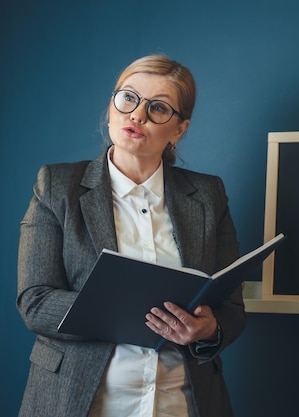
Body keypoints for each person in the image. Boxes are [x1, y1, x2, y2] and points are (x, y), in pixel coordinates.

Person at [16, 55, 247, 417]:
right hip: (78, 401)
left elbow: (231, 309)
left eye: (158, 108)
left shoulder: (208, 195)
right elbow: (35, 302)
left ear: (179, 129)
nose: (137, 115)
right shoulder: (56, 186)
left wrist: (207, 330)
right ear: (111, 106)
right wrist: (128, 310)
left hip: (181, 403)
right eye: (128, 98)